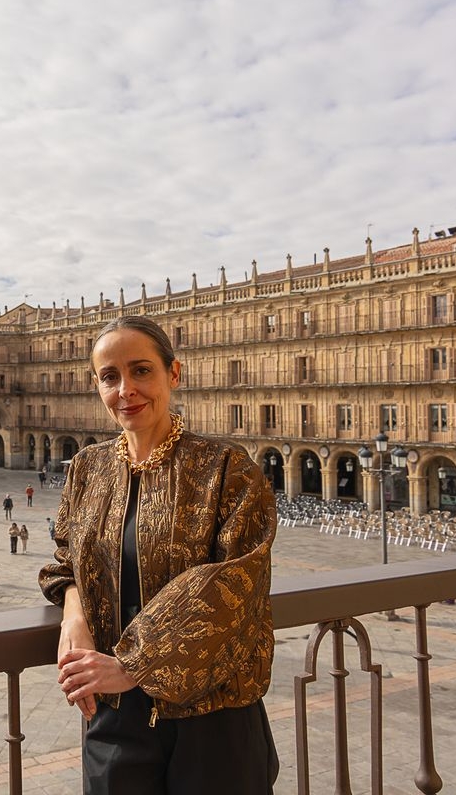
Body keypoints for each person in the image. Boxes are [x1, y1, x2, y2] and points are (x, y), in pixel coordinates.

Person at [38, 315, 278, 794]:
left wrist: (132, 665)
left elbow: (235, 584)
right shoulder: (89, 469)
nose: (126, 389)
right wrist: (73, 617)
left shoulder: (227, 468)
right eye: (110, 376)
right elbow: (65, 562)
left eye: (141, 370)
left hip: (214, 718)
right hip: (117, 717)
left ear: (174, 373)